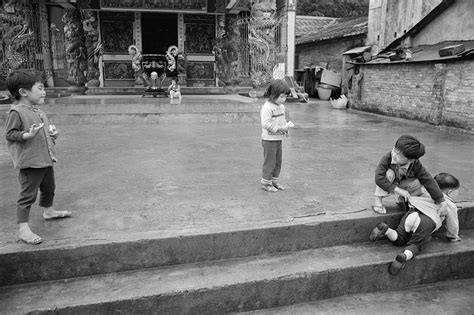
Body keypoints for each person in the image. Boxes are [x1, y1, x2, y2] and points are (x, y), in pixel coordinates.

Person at [4, 70, 71, 245]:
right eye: (40, 88)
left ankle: (48, 211)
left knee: (49, 188)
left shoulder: (38, 111)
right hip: (30, 162)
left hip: (45, 158)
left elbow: (45, 132)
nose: (44, 92)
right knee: (28, 195)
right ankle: (23, 228)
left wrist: (53, 135)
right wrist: (26, 135)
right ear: (23, 92)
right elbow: (11, 134)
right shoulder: (16, 112)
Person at [369, 172, 461, 276]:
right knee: (416, 245)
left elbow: (406, 194)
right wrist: (452, 236)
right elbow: (452, 222)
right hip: (426, 221)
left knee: (399, 238)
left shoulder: (423, 190)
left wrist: (401, 200)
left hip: (411, 214)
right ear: (450, 192)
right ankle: (404, 256)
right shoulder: (450, 205)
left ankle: (386, 230)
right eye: (457, 191)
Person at [372, 134, 447, 214]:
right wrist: (397, 190)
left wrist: (441, 200)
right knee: (388, 174)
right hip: (388, 182)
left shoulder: (415, 164)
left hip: (401, 183)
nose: (394, 155)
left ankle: (405, 200)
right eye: (394, 150)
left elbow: (428, 180)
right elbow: (379, 178)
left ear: (411, 160)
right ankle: (377, 199)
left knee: (418, 182)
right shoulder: (387, 157)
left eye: (399, 155)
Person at [260, 79, 294, 192]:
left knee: (278, 161)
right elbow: (265, 123)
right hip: (269, 139)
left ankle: (274, 181)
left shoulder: (281, 107)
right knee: (270, 161)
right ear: (273, 95)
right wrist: (279, 129)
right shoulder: (267, 107)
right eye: (281, 97)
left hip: (278, 139)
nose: (283, 100)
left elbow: (283, 120)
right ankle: (266, 183)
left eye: (285, 97)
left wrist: (286, 129)